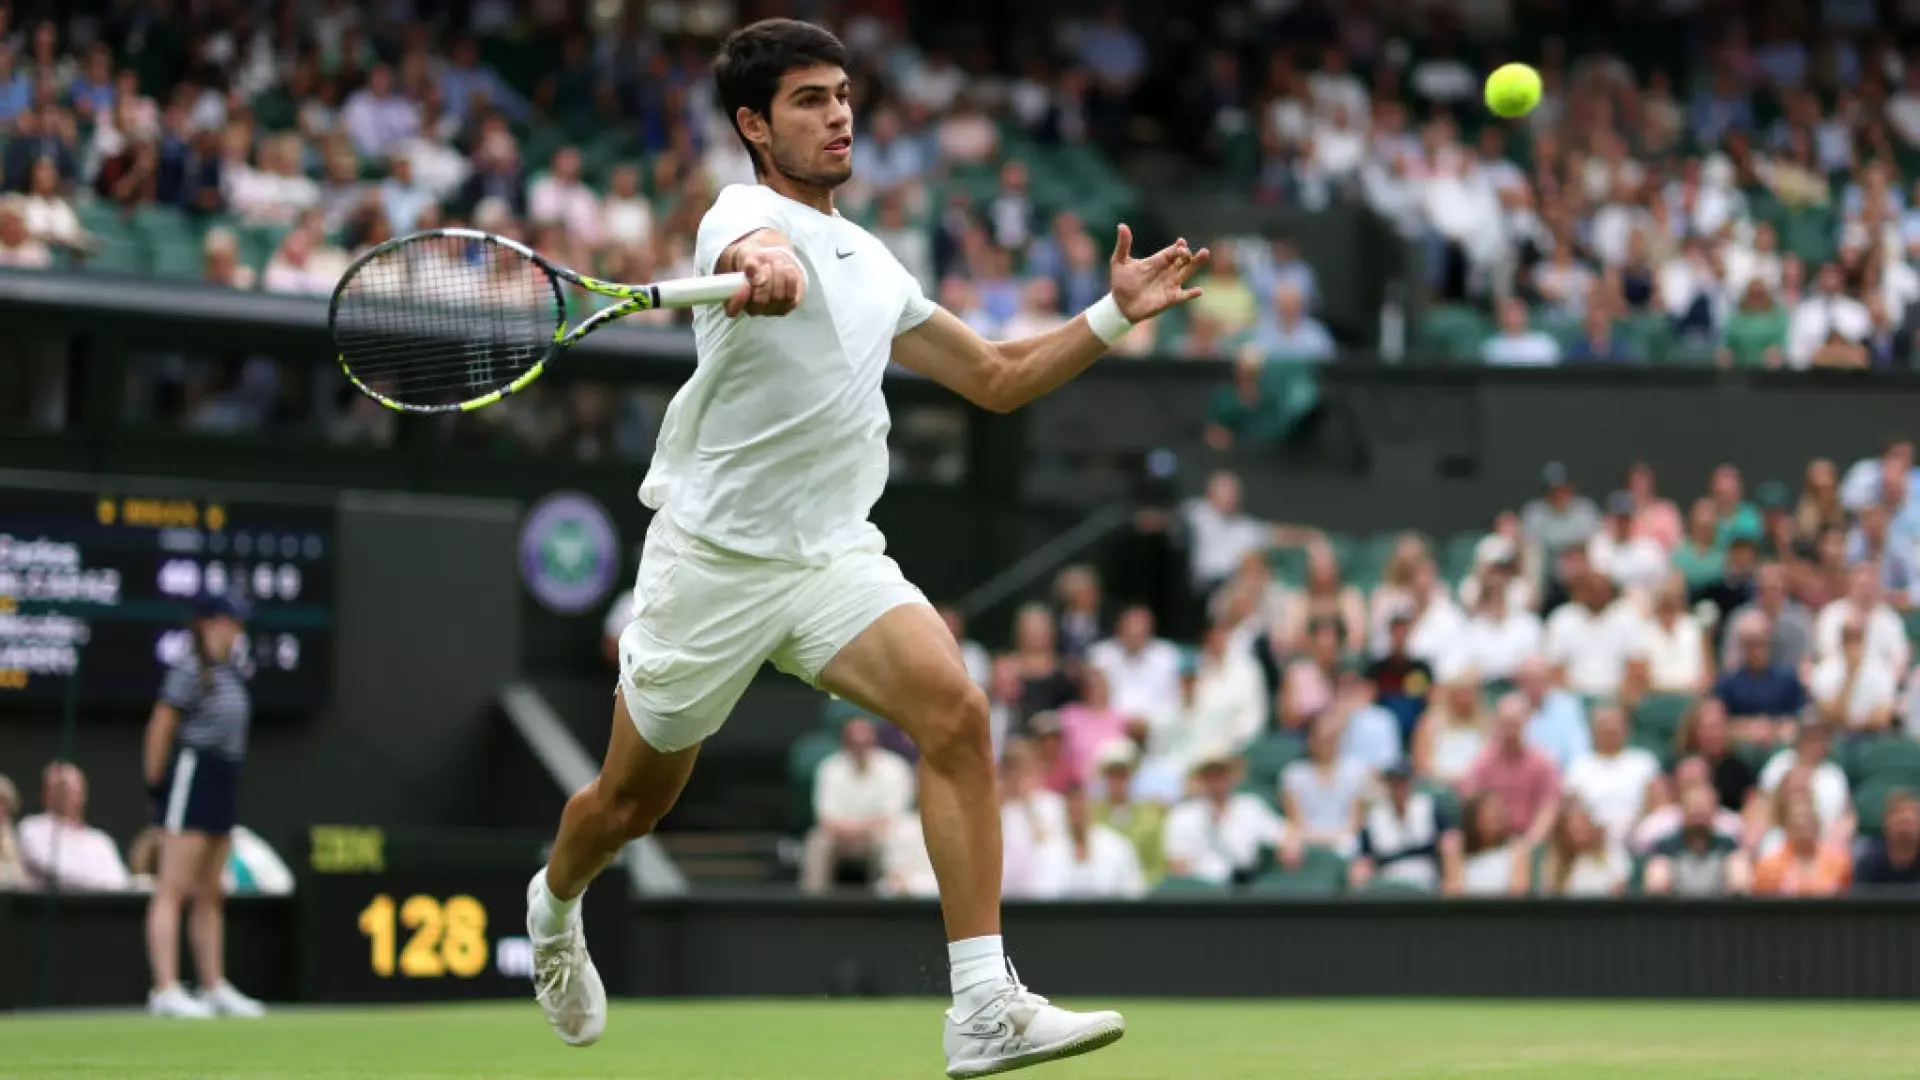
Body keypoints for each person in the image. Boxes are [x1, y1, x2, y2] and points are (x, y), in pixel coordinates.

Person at [523, 20, 1208, 1075]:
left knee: (959, 713)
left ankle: (982, 1004)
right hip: (713, 563)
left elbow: (996, 378)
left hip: (833, 556)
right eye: (808, 99)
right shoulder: (740, 214)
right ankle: (556, 908)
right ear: (755, 124)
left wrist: (1111, 317)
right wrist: (765, 269)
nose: (839, 114)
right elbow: (756, 252)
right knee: (627, 808)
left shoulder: (877, 262)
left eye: (842, 94)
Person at [142, 594, 266, 1019]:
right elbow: (160, 729)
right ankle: (166, 988)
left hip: (224, 778)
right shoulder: (188, 669)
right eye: (231, 621)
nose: (237, 631)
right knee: (173, 887)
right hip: (193, 775)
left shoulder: (229, 671)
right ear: (207, 623)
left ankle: (213, 985)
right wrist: (156, 787)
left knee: (212, 891)